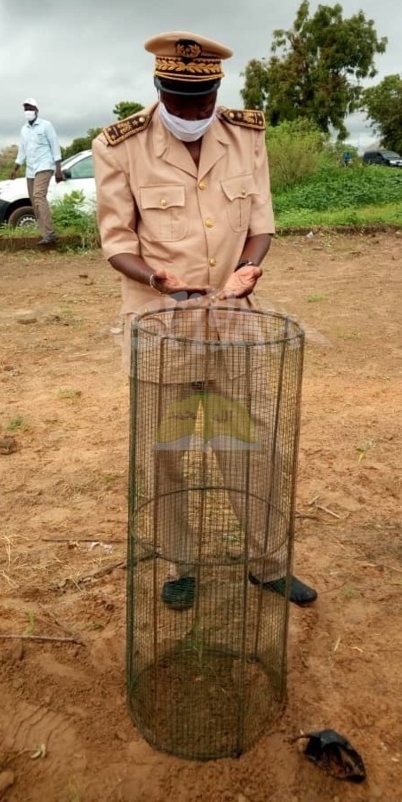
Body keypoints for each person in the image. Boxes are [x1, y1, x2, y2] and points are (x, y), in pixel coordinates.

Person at [93, 30, 317, 610]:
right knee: (165, 452)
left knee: (252, 443)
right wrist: (153, 278)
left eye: (204, 100)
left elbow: (261, 223)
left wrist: (249, 269)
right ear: (158, 88)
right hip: (161, 325)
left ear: (218, 88)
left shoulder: (245, 137)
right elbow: (115, 241)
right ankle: (178, 564)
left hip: (235, 324)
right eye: (179, 100)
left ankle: (266, 561)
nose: (193, 112)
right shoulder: (121, 145)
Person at [10, 98, 63, 245]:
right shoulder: (24, 130)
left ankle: (50, 234)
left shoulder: (46, 125)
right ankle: (45, 234)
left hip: (45, 165)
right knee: (35, 202)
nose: (28, 111)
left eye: (30, 108)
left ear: (36, 110)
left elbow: (55, 146)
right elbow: (22, 151)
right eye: (25, 108)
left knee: (39, 196)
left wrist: (58, 169)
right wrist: (15, 168)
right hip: (31, 169)